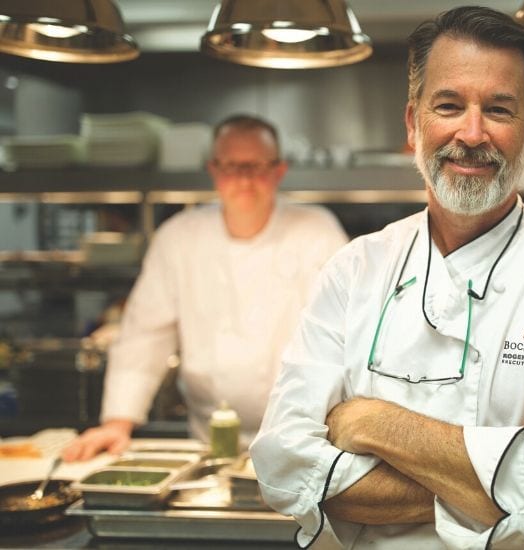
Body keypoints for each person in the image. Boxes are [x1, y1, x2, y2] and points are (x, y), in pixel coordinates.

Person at [249, 7, 524, 549]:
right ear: (413, 125)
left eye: (499, 109)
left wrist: (372, 423)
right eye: (449, 106)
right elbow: (282, 470)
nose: (472, 133)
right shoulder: (354, 269)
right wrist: (516, 450)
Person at [62, 115, 348, 461]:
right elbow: (144, 335)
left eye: (257, 166)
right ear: (213, 170)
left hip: (303, 436)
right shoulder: (178, 237)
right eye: (231, 166)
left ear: (279, 170)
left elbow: (342, 335)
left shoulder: (317, 232)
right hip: (209, 438)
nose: (244, 178)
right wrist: (117, 422)